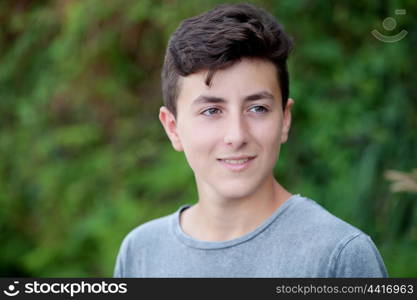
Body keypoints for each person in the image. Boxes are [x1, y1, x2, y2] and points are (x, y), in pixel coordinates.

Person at [113, 3, 387, 277]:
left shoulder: (338, 256)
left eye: (257, 109)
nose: (237, 135)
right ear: (173, 128)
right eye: (211, 111)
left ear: (285, 119)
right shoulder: (141, 253)